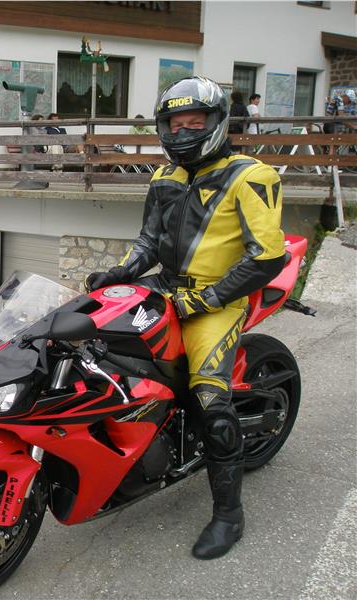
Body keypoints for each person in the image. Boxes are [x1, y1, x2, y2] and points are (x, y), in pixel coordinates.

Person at [84, 76, 285, 561]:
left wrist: (206, 300)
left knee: (210, 401)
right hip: (167, 289)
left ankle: (229, 515)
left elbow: (266, 257)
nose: (182, 132)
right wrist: (120, 272)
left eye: (194, 122)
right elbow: (149, 242)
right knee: (95, 345)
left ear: (216, 123)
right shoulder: (164, 177)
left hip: (219, 299)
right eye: (175, 124)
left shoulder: (250, 176)